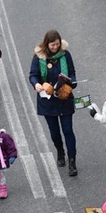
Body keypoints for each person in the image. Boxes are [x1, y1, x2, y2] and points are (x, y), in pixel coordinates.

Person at [29, 30, 78, 176]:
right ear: (46, 44)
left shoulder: (65, 55)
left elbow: (72, 72)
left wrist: (72, 83)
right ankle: (60, 151)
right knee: (55, 132)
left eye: (57, 44)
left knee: (68, 130)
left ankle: (72, 160)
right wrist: (37, 85)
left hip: (64, 99)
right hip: (47, 101)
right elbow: (33, 75)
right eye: (52, 45)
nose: (55, 47)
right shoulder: (39, 57)